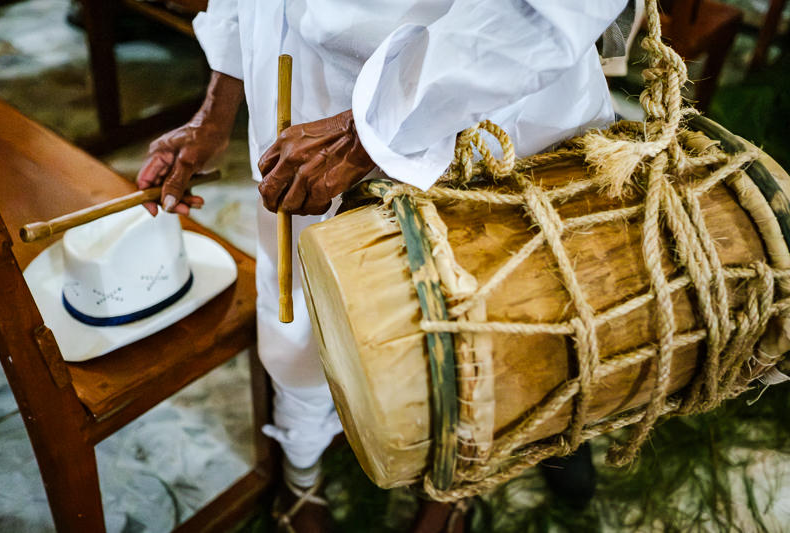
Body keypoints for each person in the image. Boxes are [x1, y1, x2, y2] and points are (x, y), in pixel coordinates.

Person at [137, 1, 630, 530]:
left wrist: (367, 130)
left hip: (474, 95)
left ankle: (449, 490)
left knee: (479, 321)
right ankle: (302, 476)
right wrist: (215, 110)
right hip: (298, 92)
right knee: (303, 304)